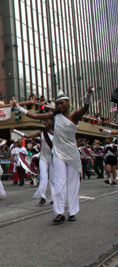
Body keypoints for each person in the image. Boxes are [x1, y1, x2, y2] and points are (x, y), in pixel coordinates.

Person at [13, 85, 94, 223]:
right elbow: (34, 115)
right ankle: (59, 212)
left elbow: (85, 108)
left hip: (72, 153)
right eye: (58, 103)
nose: (60, 105)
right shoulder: (55, 116)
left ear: (68, 103)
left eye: (62, 103)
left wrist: (88, 95)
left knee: (73, 183)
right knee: (59, 182)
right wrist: (18, 107)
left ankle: (72, 211)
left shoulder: (74, 116)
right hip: (58, 153)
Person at [12, 118, 55, 205]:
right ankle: (43, 197)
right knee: (43, 177)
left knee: (53, 179)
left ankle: (54, 198)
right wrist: (15, 131)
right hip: (43, 157)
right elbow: (27, 136)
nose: (46, 122)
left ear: (52, 122)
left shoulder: (56, 133)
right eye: (45, 121)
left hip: (53, 158)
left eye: (48, 121)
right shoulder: (41, 133)